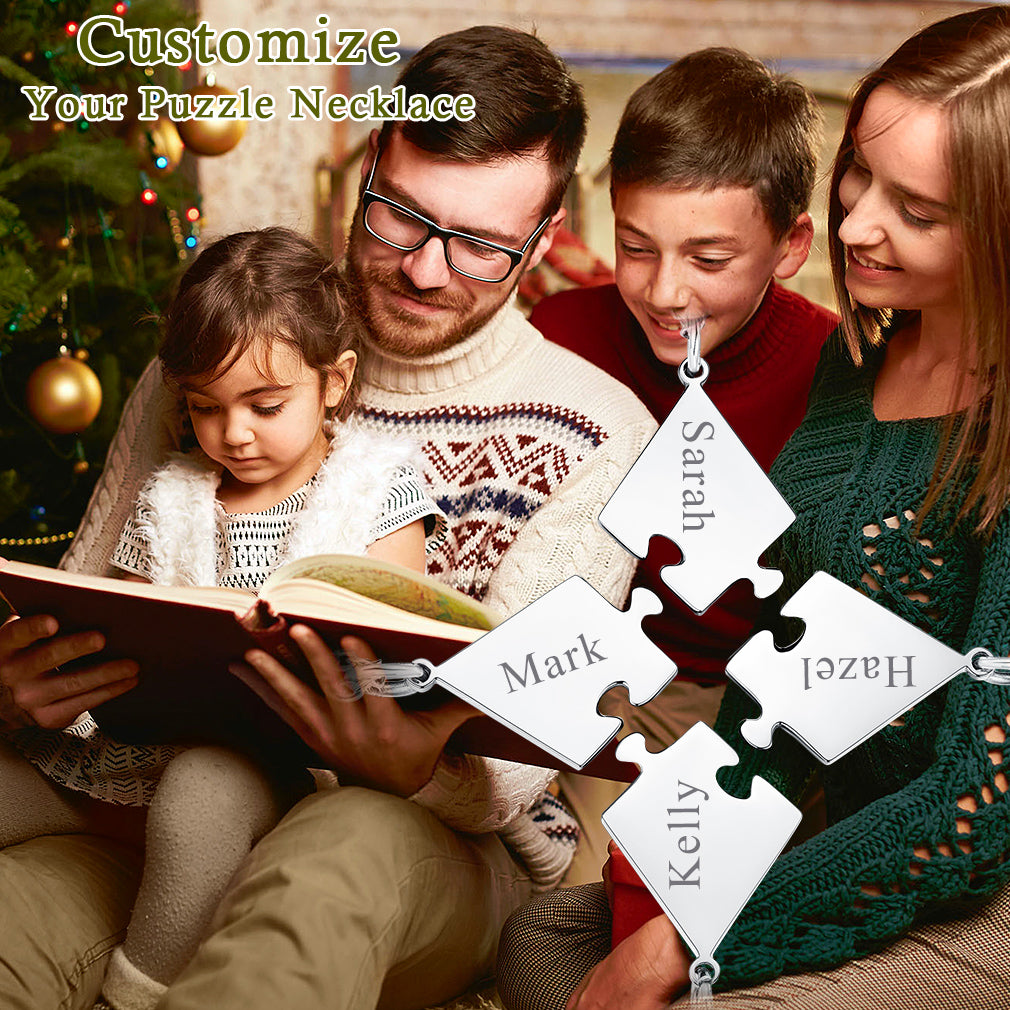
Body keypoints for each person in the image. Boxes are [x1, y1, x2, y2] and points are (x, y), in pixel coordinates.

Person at [0, 26, 657, 1010]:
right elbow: (93, 593)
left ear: (544, 231)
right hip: (160, 800)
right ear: (368, 162)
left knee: (329, 864)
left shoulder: (600, 431)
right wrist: (23, 687)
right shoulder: (217, 351)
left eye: (481, 246)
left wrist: (417, 769)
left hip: (420, 834)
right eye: (400, 216)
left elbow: (518, 768)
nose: (425, 271)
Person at [496, 6, 1010, 1008]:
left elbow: (969, 815)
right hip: (849, 839)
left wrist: (685, 946)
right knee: (540, 948)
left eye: (915, 210)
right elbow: (790, 687)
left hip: (979, 888)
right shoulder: (855, 366)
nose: (855, 225)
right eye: (860, 176)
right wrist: (674, 874)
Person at [2, 226, 449, 1010]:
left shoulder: (376, 493)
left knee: (201, 794)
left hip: (273, 772)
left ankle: (136, 996)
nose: (233, 434)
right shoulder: (174, 494)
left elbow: (397, 661)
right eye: (205, 408)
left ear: (335, 382)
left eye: (265, 405)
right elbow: (128, 623)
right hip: (138, 757)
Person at [526, 48, 838, 884]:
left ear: (790, 245)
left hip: (735, 708)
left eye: (708, 260)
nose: (666, 292)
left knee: (615, 900)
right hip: (568, 678)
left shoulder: (839, 375)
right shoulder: (559, 336)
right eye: (636, 247)